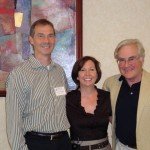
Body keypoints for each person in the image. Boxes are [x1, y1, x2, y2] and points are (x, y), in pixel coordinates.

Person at [5, 19, 71, 150]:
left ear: (55, 39)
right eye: (40, 36)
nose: (46, 41)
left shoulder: (59, 71)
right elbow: (14, 122)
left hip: (63, 142)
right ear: (31, 40)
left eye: (50, 35)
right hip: (36, 143)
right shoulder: (19, 75)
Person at [103, 39, 150, 150]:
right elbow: (108, 114)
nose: (126, 65)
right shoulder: (110, 84)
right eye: (121, 60)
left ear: (142, 59)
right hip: (121, 146)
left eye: (131, 59)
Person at [66, 56, 112, 150]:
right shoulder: (68, 99)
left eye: (92, 69)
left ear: (97, 74)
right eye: (82, 70)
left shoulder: (107, 97)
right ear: (77, 76)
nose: (88, 74)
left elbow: (117, 124)